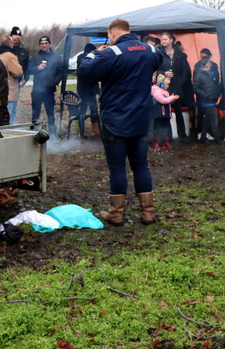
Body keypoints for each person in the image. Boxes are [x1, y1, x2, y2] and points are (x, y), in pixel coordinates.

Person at [78, 18, 163, 226]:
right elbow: (159, 61)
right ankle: (148, 213)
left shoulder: (111, 53)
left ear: (113, 33)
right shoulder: (151, 50)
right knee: (141, 166)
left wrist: (94, 52)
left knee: (117, 168)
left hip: (115, 120)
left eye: (109, 36)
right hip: (141, 118)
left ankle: (116, 214)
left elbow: (85, 71)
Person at [27, 36, 65, 130]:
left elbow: (61, 71)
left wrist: (55, 81)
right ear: (40, 45)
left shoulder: (56, 56)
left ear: (49, 44)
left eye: (46, 43)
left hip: (49, 90)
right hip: (37, 90)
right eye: (42, 44)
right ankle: (34, 132)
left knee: (50, 112)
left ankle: (52, 133)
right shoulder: (36, 56)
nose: (44, 45)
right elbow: (29, 70)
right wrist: (37, 68)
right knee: (35, 112)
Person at [165, 36, 192, 143]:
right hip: (164, 88)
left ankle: (182, 136)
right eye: (162, 39)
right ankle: (168, 137)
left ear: (171, 40)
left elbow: (186, 72)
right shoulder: (161, 54)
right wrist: (164, 73)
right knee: (166, 113)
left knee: (178, 111)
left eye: (165, 39)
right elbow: (157, 69)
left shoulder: (180, 55)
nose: (163, 41)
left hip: (177, 88)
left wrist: (180, 82)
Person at [193, 51, 223, 145]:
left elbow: (216, 84)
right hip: (206, 100)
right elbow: (195, 88)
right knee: (214, 118)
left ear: (210, 65)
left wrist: (217, 93)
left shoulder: (213, 73)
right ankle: (217, 138)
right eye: (204, 67)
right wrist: (205, 95)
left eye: (207, 67)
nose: (205, 69)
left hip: (212, 98)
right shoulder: (199, 75)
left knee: (207, 118)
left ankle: (203, 137)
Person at [0, 35, 24, 123]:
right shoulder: (10, 56)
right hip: (8, 91)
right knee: (8, 116)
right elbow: (18, 72)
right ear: (10, 44)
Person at [76, 43, 100, 136]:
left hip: (88, 89)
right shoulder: (82, 59)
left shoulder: (82, 58)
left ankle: (95, 131)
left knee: (93, 110)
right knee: (84, 110)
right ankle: (82, 131)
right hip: (85, 90)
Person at [150, 72, 178, 150]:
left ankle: (166, 142)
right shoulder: (157, 91)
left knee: (166, 128)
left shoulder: (166, 91)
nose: (168, 86)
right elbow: (162, 100)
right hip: (158, 113)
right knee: (157, 128)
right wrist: (172, 98)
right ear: (161, 84)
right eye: (167, 85)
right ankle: (156, 143)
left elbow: (168, 101)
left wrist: (172, 99)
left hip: (165, 113)